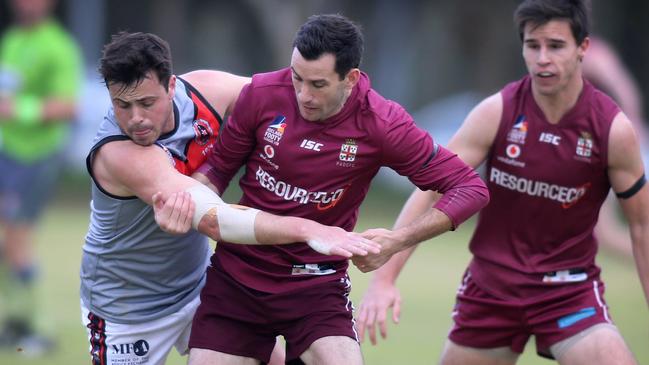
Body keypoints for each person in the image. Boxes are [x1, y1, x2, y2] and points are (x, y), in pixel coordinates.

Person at [154, 13, 488, 365]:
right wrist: (186, 197)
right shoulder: (262, 94)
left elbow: (470, 188)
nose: (303, 94)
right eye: (297, 78)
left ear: (351, 78)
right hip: (237, 281)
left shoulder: (382, 123)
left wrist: (397, 240)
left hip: (316, 285)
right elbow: (217, 172)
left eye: (318, 84)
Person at [355, 0, 649, 364]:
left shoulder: (612, 129)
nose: (542, 58)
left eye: (555, 46)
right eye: (532, 45)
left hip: (567, 290)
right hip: (492, 291)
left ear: (582, 48)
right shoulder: (498, 112)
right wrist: (385, 280)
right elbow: (432, 189)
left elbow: (642, 226)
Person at [80, 31, 380, 365]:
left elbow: (280, 95)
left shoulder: (209, 91)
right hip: (128, 308)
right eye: (122, 105)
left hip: (198, 289)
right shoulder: (118, 153)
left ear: (172, 86)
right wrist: (308, 229)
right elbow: (214, 219)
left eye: (147, 103)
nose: (135, 118)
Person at [0, 0, 81, 353]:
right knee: (7, 245)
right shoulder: (13, 40)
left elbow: (68, 106)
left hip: (36, 158)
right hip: (7, 152)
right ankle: (16, 322)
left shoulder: (58, 46)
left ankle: (35, 328)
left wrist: (20, 109)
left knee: (16, 240)